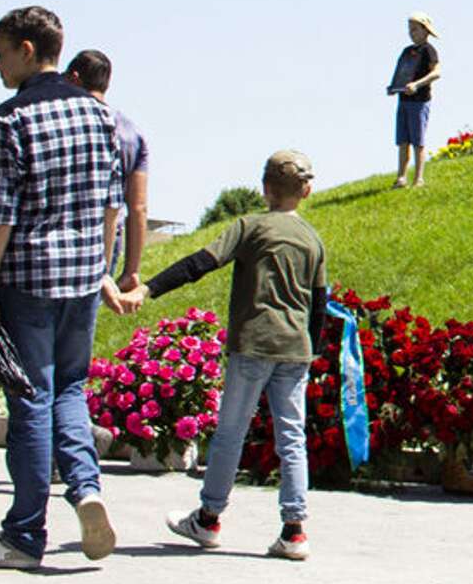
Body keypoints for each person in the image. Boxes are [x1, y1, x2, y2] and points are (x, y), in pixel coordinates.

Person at [0, 7, 131, 569]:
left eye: (2, 52)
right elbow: (113, 205)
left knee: (30, 400)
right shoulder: (100, 115)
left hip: (29, 277)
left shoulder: (10, 118)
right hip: (82, 279)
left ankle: (24, 535)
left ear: (28, 50)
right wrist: (102, 267)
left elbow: (0, 213)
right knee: (71, 388)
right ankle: (86, 488)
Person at [133, 150, 327, 562]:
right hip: (295, 351)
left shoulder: (249, 227)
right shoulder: (313, 239)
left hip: (253, 344)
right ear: (307, 191)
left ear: (265, 188)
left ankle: (208, 518)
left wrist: (149, 288)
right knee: (291, 438)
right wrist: (314, 350)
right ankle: (294, 530)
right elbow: (319, 303)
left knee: (231, 432)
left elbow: (199, 264)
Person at [64, 49, 149, 291]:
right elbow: (138, 207)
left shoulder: (68, 123)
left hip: (65, 233)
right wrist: (132, 270)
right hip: (108, 239)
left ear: (74, 78)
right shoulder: (133, 133)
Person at [387, 12, 442, 189]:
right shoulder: (406, 51)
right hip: (404, 100)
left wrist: (417, 85)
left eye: (415, 29)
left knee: (418, 142)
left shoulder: (429, 50)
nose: (412, 33)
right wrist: (393, 86)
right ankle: (401, 177)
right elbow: (401, 73)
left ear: (425, 31)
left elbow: (436, 72)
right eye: (410, 29)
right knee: (403, 141)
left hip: (419, 101)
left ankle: (418, 178)